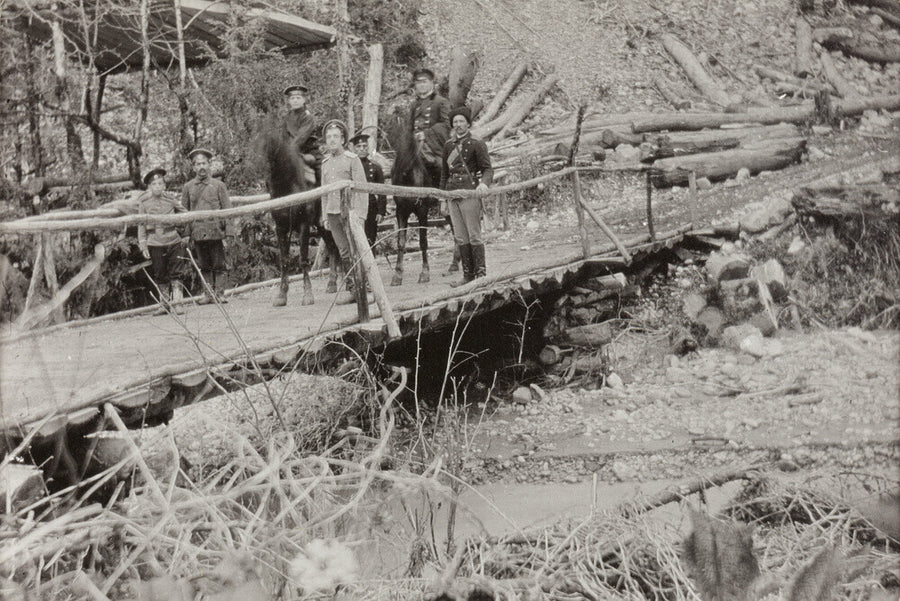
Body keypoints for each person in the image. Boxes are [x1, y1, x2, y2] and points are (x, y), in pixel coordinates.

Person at [440, 106, 492, 284]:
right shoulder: (448, 145)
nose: (458, 124)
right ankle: (468, 275)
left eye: (462, 121)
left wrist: (484, 184)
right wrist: (443, 198)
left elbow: (487, 168)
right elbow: (444, 174)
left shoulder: (477, 143)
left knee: (474, 235)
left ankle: (480, 275)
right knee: (460, 236)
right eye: (455, 122)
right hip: (452, 194)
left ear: (468, 123)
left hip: (470, 192)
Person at [320, 120, 369, 305]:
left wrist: (360, 215)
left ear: (342, 139)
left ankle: (365, 288)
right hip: (333, 214)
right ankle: (352, 289)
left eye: (335, 137)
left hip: (350, 214)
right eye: (329, 137)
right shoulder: (325, 163)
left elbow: (362, 189)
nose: (332, 140)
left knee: (357, 250)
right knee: (344, 252)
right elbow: (324, 192)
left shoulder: (352, 159)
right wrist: (325, 216)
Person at [182, 148, 234, 304]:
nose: (201, 167)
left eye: (204, 163)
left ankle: (220, 293)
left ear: (209, 164)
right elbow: (184, 212)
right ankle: (208, 294)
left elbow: (227, 209)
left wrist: (229, 231)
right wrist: (185, 233)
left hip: (216, 231)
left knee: (219, 263)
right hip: (198, 232)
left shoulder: (218, 185)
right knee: (204, 264)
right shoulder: (188, 187)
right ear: (193, 167)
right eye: (198, 164)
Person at [137, 168, 187, 315]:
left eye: (160, 183)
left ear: (164, 185)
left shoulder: (170, 199)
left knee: (176, 272)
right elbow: (141, 224)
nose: (158, 186)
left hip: (173, 240)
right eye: (154, 184)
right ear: (149, 187)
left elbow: (184, 213)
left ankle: (178, 303)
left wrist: (180, 228)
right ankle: (164, 304)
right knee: (160, 273)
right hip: (155, 243)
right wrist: (143, 244)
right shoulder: (144, 203)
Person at [409, 67, 451, 183]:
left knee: (440, 167)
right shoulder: (414, 105)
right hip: (414, 144)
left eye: (424, 82)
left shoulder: (440, 101)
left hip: (434, 145)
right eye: (418, 82)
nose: (421, 85)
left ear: (432, 83)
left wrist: (426, 134)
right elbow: (409, 127)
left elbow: (447, 124)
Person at [349, 133, 386, 249]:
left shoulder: (375, 167)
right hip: (354, 207)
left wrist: (381, 211)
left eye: (364, 146)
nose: (362, 149)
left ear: (368, 148)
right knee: (355, 241)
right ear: (354, 149)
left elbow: (382, 191)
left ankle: (371, 266)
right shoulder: (349, 166)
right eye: (359, 146)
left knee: (370, 240)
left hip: (371, 207)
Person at [282, 83, 321, 185]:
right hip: (291, 151)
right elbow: (282, 134)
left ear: (304, 100)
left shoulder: (307, 117)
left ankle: (323, 195)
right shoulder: (286, 117)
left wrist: (290, 150)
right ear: (289, 101)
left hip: (309, 150)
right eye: (293, 98)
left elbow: (301, 137)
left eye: (298, 98)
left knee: (322, 170)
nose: (295, 100)